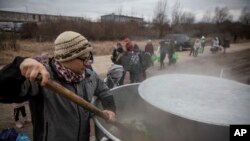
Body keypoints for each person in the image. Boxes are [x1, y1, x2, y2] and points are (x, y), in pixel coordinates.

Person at [0, 31, 116, 141]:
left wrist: (110, 109)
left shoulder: (90, 75)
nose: (88, 63)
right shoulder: (41, 78)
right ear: (67, 57)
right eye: (84, 59)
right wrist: (18, 66)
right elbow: (3, 94)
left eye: (89, 57)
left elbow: (104, 92)